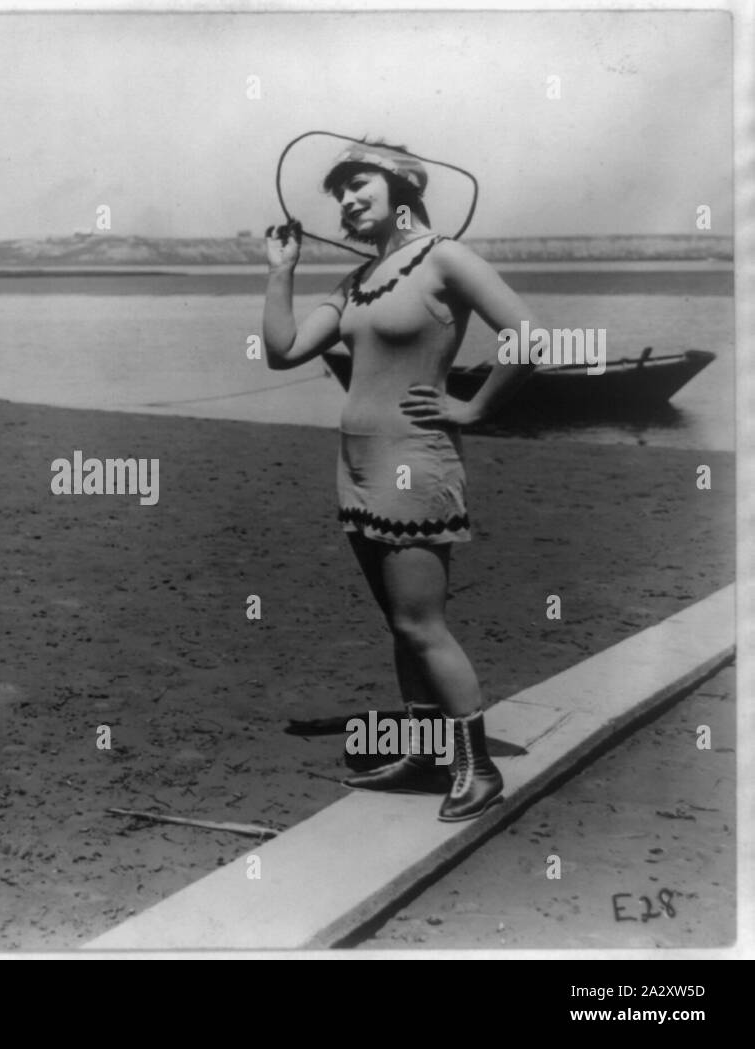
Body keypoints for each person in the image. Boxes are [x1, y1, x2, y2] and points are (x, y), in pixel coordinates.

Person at [262, 140, 537, 821]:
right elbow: (282, 351)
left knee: (422, 623)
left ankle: (479, 768)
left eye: (359, 186)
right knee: (399, 621)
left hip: (416, 464)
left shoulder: (444, 257)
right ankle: (423, 750)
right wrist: (281, 272)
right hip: (356, 466)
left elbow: (529, 336)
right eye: (341, 194)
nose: (348, 201)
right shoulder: (358, 281)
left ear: (401, 192)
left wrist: (471, 409)